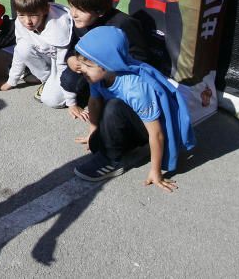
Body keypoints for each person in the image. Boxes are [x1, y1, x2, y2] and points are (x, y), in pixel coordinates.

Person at [68, 26, 195, 191]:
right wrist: (93, 131)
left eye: (87, 66)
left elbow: (156, 133)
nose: (82, 69)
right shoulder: (97, 77)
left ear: (107, 64)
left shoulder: (134, 88)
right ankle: (121, 145)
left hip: (145, 128)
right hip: (125, 120)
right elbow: (94, 102)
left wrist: (155, 171)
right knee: (94, 144)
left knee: (115, 106)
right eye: (81, 63)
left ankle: (112, 160)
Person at [60, 0, 167, 123]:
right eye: (72, 7)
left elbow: (140, 58)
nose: (74, 14)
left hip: (116, 76)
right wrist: (71, 58)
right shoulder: (80, 22)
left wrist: (110, 67)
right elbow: (73, 44)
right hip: (91, 72)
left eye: (80, 9)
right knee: (66, 82)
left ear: (100, 11)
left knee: (113, 112)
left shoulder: (123, 24)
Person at [1, 0, 73, 109]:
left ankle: (75, 89)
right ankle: (47, 80)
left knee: (52, 101)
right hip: (50, 58)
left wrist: (71, 101)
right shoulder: (20, 21)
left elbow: (62, 65)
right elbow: (20, 51)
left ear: (46, 9)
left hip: (68, 65)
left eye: (33, 15)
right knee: (23, 47)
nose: (27, 21)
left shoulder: (59, 26)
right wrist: (12, 81)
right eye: (21, 15)